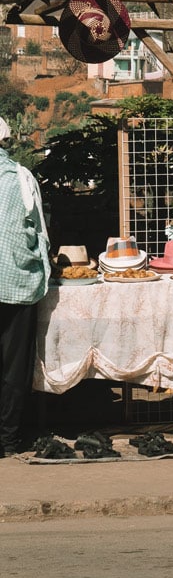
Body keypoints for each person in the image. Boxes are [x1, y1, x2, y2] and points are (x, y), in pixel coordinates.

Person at [0, 117, 50, 457]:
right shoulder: (21, 177)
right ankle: (7, 438)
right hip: (16, 284)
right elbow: (40, 231)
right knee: (13, 367)